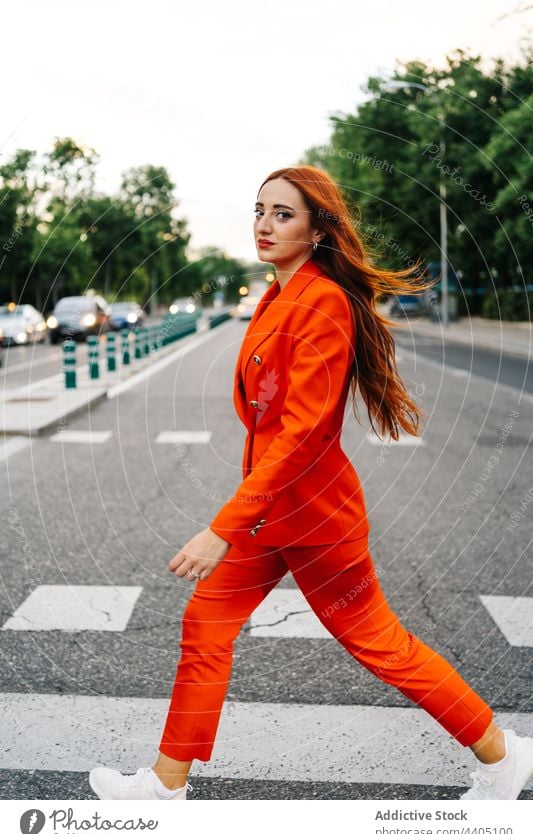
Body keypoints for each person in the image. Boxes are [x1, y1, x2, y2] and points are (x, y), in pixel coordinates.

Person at [89, 165, 533, 801]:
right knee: (207, 623)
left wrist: (222, 528)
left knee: (380, 644)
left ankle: (502, 755)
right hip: (273, 511)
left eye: (284, 214)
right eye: (260, 210)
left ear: (319, 229)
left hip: (315, 514)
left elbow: (303, 435)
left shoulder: (321, 301)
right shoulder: (278, 294)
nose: (265, 225)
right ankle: (165, 787)